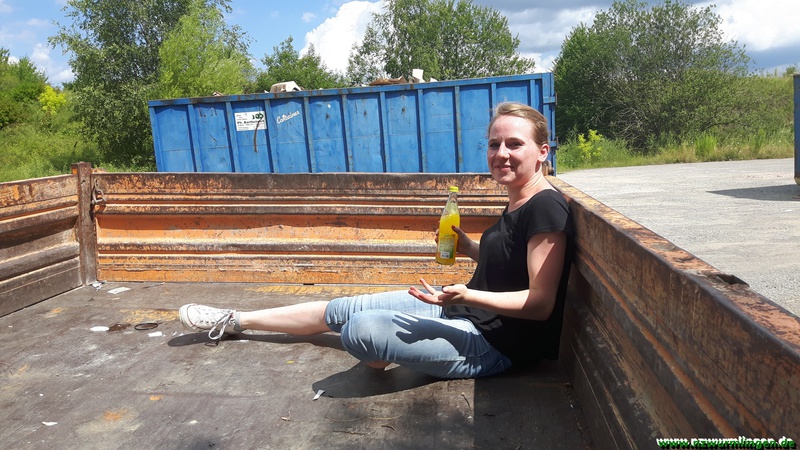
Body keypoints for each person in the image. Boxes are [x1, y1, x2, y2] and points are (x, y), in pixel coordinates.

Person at [178, 101, 574, 379]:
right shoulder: (518, 198)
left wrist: (468, 295)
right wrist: (469, 247)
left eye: (514, 144)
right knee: (344, 309)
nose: (501, 153)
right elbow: (510, 266)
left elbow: (540, 304)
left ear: (542, 152)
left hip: (493, 345)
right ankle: (236, 320)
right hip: (462, 310)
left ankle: (381, 349)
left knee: (361, 329)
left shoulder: (546, 206)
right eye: (494, 144)